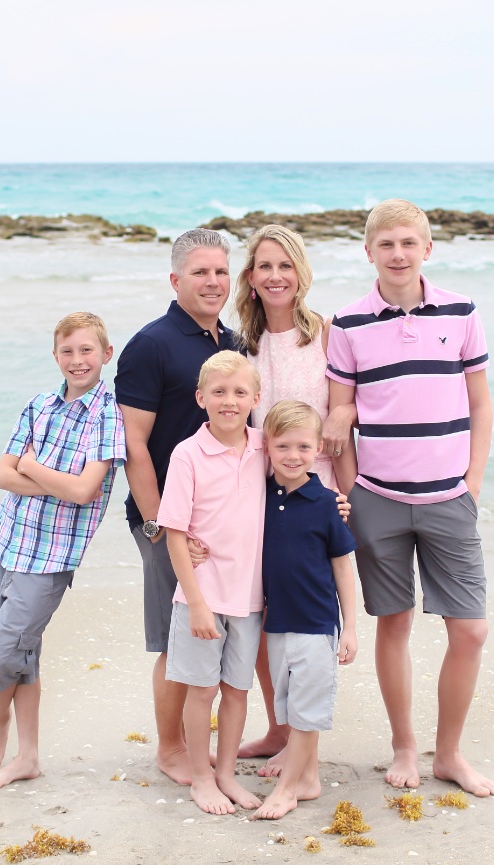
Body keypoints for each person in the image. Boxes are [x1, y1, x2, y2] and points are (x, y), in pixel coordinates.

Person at [326, 199, 494, 797]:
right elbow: (338, 415)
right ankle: (404, 746)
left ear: (428, 249)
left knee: (470, 630)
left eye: (408, 243)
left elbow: (480, 404)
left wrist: (472, 482)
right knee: (393, 624)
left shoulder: (461, 310)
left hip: (450, 498)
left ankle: (449, 754)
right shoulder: (346, 324)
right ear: (368, 251)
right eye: (386, 244)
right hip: (377, 498)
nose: (397, 254)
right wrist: (349, 491)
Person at [0, 312, 125, 789]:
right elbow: (1, 475)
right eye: (67, 351)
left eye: (86, 350)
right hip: (11, 536)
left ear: (106, 354)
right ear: (55, 356)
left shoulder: (106, 415)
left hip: (53, 555)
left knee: (4, 650)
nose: (77, 360)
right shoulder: (39, 405)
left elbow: (85, 492)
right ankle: (27, 755)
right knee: (25, 651)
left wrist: (33, 470)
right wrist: (46, 477)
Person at [231, 224, 356, 772]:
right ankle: (278, 728)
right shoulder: (240, 345)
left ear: (300, 273)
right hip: (258, 496)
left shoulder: (328, 336)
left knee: (308, 618)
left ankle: (303, 743)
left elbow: (341, 425)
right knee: (261, 615)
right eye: (264, 266)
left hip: (318, 494)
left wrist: (347, 497)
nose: (275, 275)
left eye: (285, 265)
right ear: (252, 278)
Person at [114, 228, 237, 785]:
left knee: (211, 632)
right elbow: (132, 444)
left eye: (220, 272)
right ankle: (169, 749)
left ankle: (195, 743)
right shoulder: (152, 344)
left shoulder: (230, 342)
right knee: (174, 636)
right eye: (200, 273)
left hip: (221, 522)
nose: (213, 283)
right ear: (175, 280)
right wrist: (161, 525)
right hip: (164, 520)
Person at [157, 351, 266, 814]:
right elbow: (175, 533)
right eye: (219, 392)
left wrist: (338, 505)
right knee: (201, 691)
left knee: (238, 691)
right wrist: (197, 603)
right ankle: (202, 776)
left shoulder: (266, 447)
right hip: (201, 595)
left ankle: (226, 774)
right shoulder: (187, 454)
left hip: (251, 596)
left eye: (240, 392)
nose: (229, 401)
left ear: (255, 398)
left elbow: (304, 484)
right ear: (201, 398)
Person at [251, 401, 358, 821]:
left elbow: (343, 570)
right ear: (266, 447)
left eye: (302, 446)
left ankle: (287, 788)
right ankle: (308, 776)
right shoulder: (260, 496)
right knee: (291, 704)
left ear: (318, 449)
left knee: (308, 705)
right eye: (282, 446)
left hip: (316, 621)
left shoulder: (328, 503)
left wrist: (350, 628)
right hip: (275, 620)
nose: (293, 455)